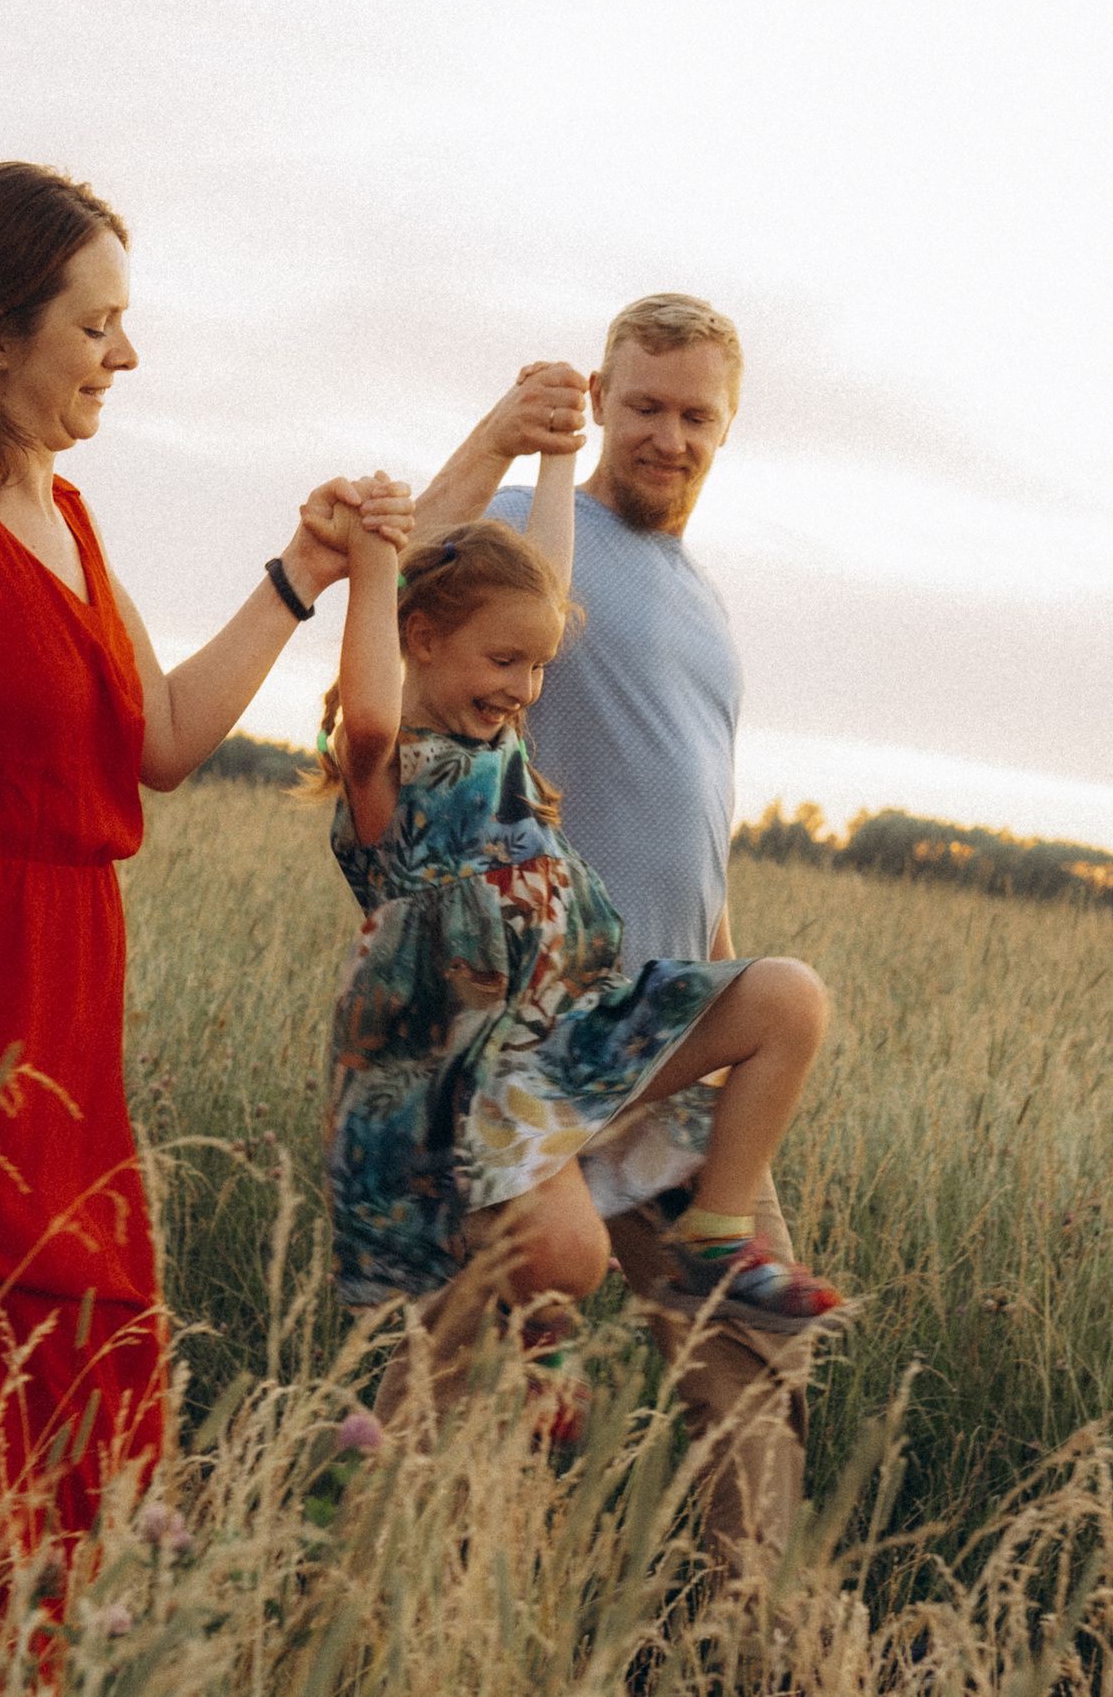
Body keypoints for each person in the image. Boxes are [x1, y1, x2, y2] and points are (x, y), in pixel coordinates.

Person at [0, 160, 411, 1670]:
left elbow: (157, 740)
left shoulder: (70, 518)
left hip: (57, 1038)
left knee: (59, 1436)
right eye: (97, 324)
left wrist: (301, 573)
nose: (126, 353)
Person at [408, 293, 827, 1586]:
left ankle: (746, 1648)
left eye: (697, 415)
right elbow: (394, 581)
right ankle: (422, 1620)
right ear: (600, 399)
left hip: (666, 1040)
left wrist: (721, 1002)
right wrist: (496, 433)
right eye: (643, 405)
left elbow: (690, 829)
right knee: (460, 1374)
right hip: (532, 1033)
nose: (669, 435)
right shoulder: (535, 532)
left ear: (727, 427)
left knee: (757, 1368)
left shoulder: (707, 606)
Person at [310, 453, 845, 1398]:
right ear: (422, 639)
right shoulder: (388, 774)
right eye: (504, 662)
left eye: (538, 665)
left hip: (573, 1033)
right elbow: (367, 713)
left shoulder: (504, 744)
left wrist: (560, 455)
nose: (525, 686)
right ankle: (536, 1352)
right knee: (574, 1255)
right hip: (473, 1080)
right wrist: (377, 555)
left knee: (789, 999)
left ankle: (717, 1238)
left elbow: (547, 588)